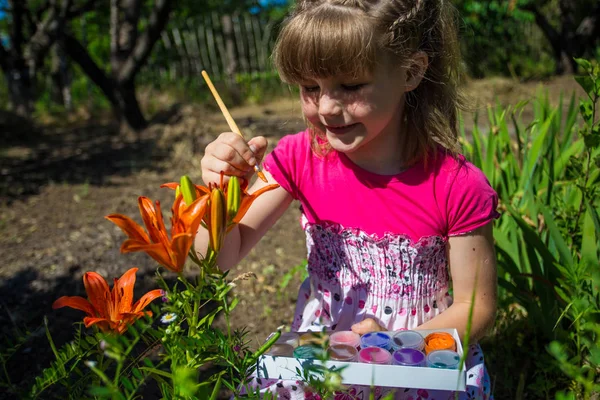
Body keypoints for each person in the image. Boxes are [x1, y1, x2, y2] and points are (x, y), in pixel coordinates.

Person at [199, 0, 498, 398]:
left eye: (351, 86)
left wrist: (391, 345)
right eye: (310, 88)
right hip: (322, 359)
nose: (325, 107)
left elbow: (477, 307)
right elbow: (216, 260)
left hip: (417, 362)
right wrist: (220, 194)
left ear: (411, 71)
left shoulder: (457, 185)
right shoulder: (297, 159)